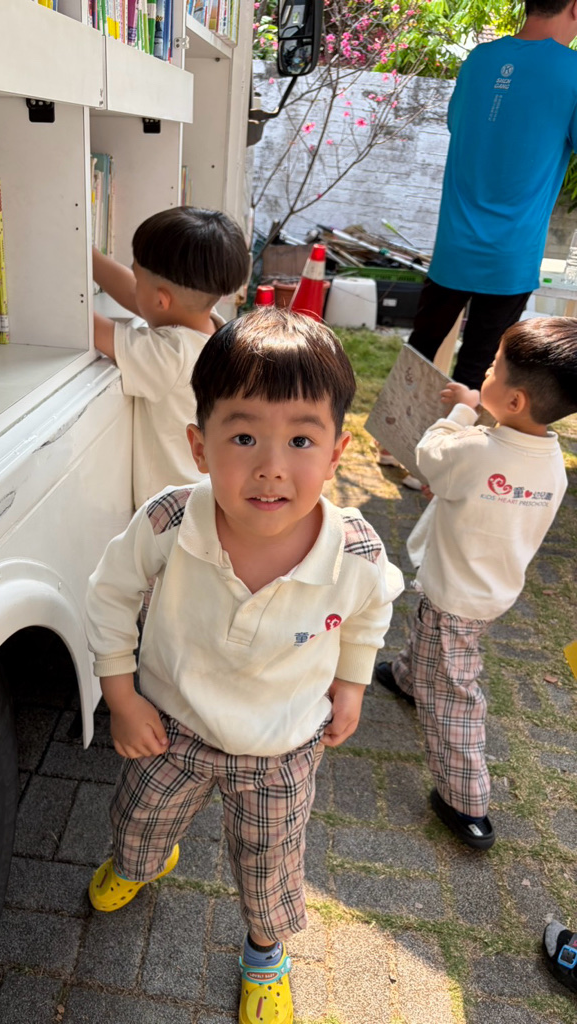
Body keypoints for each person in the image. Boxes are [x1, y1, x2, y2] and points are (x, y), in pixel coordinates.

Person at [84, 307, 403, 1024]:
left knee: (270, 871)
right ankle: (143, 863)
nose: (271, 466)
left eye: (300, 439)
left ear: (337, 452)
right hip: (170, 726)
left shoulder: (356, 552)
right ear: (199, 446)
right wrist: (121, 695)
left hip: (282, 747)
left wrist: (352, 684)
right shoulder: (169, 520)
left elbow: (369, 614)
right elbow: (110, 593)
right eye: (243, 436)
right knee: (136, 827)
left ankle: (265, 953)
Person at [375, 317, 577, 850]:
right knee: (434, 641)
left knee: (455, 697)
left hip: (454, 593)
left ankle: (466, 800)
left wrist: (463, 410)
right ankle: (408, 678)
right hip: (492, 590)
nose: (483, 373)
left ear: (514, 400)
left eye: (491, 369)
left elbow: (429, 455)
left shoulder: (476, 449)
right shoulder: (552, 465)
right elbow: (482, 488)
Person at [406, 0, 577, 392]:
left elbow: (458, 124)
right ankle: (455, 433)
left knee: (419, 354)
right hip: (510, 252)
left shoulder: (479, 59)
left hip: (453, 243)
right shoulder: (572, 71)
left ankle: (394, 429)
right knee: (478, 373)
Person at [92, 206, 250, 509]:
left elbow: (87, 324)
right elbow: (140, 297)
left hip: (172, 514)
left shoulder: (169, 357)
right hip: (203, 501)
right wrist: (87, 256)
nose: (134, 286)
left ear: (161, 300)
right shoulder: (215, 332)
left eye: (138, 279)